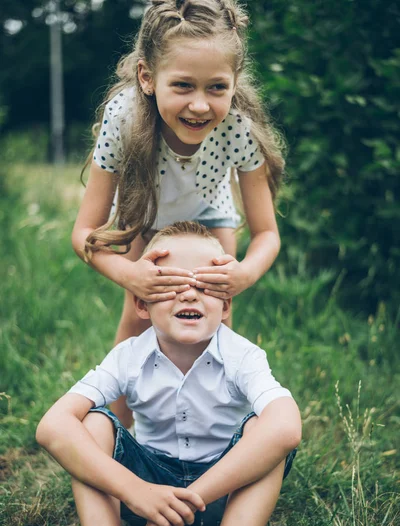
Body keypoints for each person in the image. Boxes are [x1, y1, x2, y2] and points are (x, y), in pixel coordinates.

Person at [37, 222, 301, 526]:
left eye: (205, 286)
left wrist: (191, 497)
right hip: (144, 493)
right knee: (93, 423)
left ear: (226, 304)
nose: (188, 296)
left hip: (223, 493)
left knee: (268, 428)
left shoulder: (243, 356)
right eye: (171, 286)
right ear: (141, 302)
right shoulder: (128, 356)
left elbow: (288, 429)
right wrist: (139, 492)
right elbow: (52, 427)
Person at [72, 0, 286, 426]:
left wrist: (242, 274)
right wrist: (129, 275)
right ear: (147, 77)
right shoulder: (125, 117)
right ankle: (118, 437)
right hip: (142, 217)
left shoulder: (238, 126)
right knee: (136, 328)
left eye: (217, 88)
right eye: (183, 85)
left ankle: (210, 435)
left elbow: (267, 234)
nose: (201, 106)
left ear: (234, 82)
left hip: (210, 219)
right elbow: (84, 232)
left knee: (211, 336)